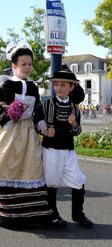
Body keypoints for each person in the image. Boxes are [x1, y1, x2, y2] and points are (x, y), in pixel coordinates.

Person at [0, 42, 53, 225]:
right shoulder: (7, 86)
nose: (28, 67)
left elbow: (38, 110)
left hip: (28, 133)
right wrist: (12, 112)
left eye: (30, 64)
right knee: (7, 166)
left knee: (31, 169)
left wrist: (42, 126)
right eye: (23, 64)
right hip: (10, 133)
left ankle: (30, 212)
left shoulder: (32, 87)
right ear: (14, 66)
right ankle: (7, 212)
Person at [33, 70, 94, 228]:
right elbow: (37, 121)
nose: (58, 88)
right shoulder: (45, 105)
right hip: (51, 150)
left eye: (63, 85)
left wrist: (74, 124)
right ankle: (53, 214)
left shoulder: (75, 108)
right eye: (56, 84)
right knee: (51, 182)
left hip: (69, 150)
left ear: (71, 87)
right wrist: (44, 131)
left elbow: (78, 131)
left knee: (78, 180)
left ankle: (78, 214)